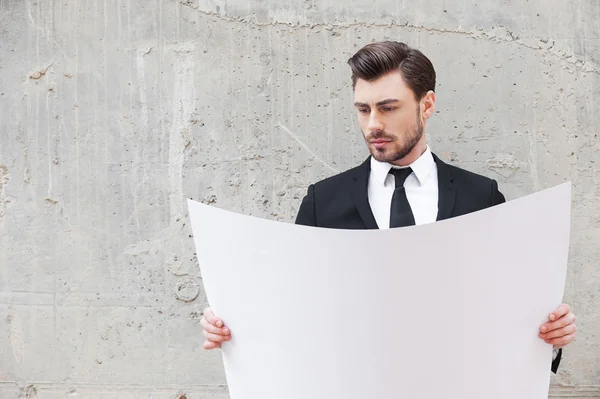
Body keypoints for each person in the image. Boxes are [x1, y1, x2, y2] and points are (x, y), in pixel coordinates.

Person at [200, 41, 576, 373]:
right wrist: (233, 327)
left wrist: (550, 335)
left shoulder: (482, 197)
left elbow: (507, 309)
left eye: (388, 107)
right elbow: (293, 309)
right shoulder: (322, 201)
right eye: (363, 110)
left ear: (426, 104)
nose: (373, 125)